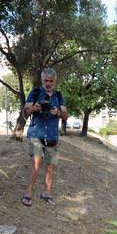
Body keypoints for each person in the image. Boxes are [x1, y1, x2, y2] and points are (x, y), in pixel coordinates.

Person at [22, 68, 68, 207]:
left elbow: (65, 116)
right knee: (37, 163)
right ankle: (28, 192)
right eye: (46, 81)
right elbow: (25, 113)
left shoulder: (59, 96)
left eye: (51, 81)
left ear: (55, 81)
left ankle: (47, 193)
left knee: (50, 166)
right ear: (42, 80)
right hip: (36, 133)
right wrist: (34, 108)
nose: (48, 83)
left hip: (52, 135)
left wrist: (58, 112)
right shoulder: (35, 93)